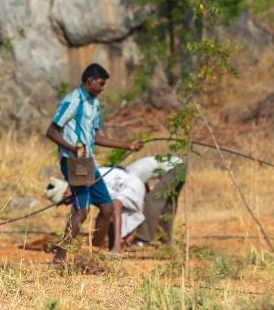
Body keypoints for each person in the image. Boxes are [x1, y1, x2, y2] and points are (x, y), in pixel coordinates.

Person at [44, 63, 141, 265]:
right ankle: (59, 257)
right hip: (73, 161)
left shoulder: (94, 104)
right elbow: (51, 131)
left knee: (106, 208)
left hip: (88, 162)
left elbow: (96, 137)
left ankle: (93, 254)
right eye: (101, 83)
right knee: (81, 211)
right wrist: (72, 149)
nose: (103, 88)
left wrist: (127, 146)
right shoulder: (73, 100)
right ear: (90, 81)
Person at [126, 154, 185, 247]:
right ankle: (165, 239)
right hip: (180, 166)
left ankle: (143, 239)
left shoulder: (128, 175)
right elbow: (145, 193)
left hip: (173, 168)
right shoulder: (131, 171)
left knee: (152, 202)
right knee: (167, 205)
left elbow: (143, 201)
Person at [100, 166, 146, 242]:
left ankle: (117, 244)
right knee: (112, 211)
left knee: (116, 204)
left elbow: (115, 201)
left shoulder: (96, 175)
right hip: (130, 185)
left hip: (134, 185)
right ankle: (119, 242)